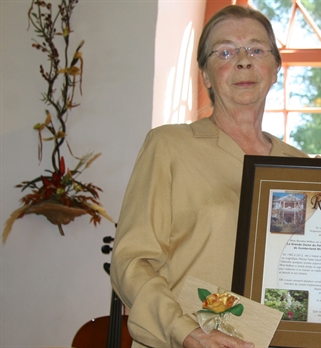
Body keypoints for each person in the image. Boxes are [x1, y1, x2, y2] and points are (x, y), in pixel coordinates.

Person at [110, 5, 307, 348]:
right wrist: (185, 331)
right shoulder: (169, 146)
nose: (244, 61)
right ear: (205, 75)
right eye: (226, 51)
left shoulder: (300, 164)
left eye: (257, 49)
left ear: (276, 68)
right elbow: (131, 261)